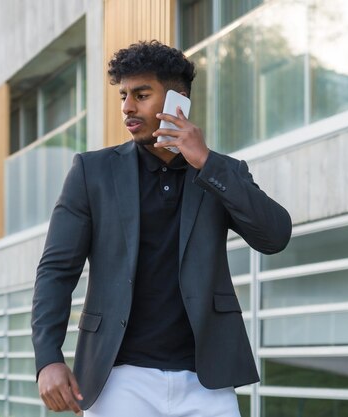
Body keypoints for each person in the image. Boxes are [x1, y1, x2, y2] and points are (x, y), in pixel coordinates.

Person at [31, 40, 292, 417]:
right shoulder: (93, 173)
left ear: (178, 101)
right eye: (123, 95)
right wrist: (48, 358)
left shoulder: (222, 173)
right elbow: (56, 270)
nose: (127, 107)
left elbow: (275, 236)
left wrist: (205, 162)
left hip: (206, 380)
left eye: (141, 94)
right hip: (119, 378)